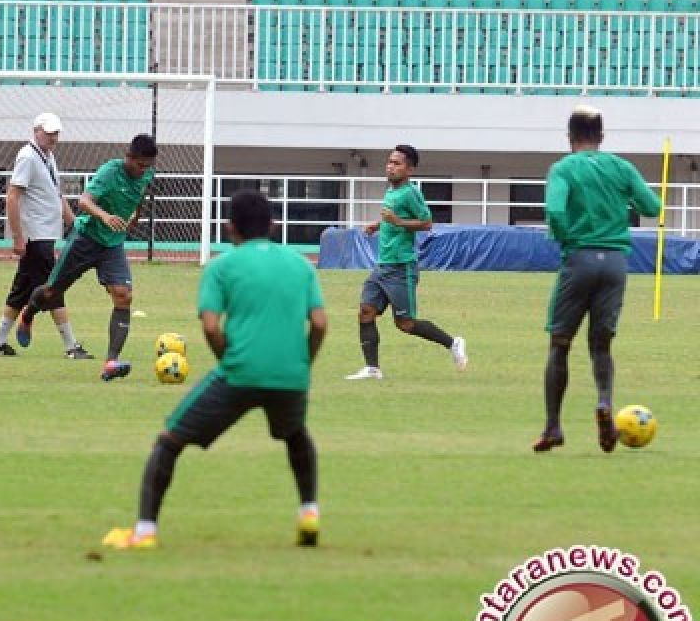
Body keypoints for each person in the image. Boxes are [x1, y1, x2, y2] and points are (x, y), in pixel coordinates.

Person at [103, 190, 328, 549]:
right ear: (273, 225)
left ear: (230, 228)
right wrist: (303, 364)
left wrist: (228, 359)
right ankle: (309, 512)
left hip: (238, 372)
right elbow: (319, 323)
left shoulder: (221, 267)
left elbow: (210, 327)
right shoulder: (301, 265)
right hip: (291, 375)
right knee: (295, 434)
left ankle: (144, 532)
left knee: (169, 441)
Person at [534, 106, 661, 453]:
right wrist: (622, 198)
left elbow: (556, 211)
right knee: (601, 344)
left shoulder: (563, 168)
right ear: (601, 138)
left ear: (570, 137)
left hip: (580, 259)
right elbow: (652, 206)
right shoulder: (621, 167)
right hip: (616, 263)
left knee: (560, 343)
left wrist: (565, 238)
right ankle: (605, 402)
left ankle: (553, 428)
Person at [15, 134, 157, 381]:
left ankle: (111, 362)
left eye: (148, 166)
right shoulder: (109, 172)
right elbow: (83, 201)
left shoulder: (145, 174)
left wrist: (136, 216)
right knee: (51, 291)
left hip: (112, 244)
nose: (143, 170)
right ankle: (28, 313)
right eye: (139, 165)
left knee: (123, 296)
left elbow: (141, 193)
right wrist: (105, 216)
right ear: (129, 157)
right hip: (86, 239)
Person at [345, 144, 467, 380]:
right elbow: (391, 217)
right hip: (383, 265)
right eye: (389, 162)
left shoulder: (411, 193)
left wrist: (398, 222)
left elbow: (426, 222)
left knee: (406, 324)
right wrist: (377, 224)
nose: (390, 166)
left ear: (409, 170)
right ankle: (372, 368)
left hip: (402, 268)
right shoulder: (391, 190)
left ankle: (453, 343)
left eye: (397, 163)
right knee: (365, 312)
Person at [0, 112, 92, 359]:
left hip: (44, 234)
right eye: (48, 132)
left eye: (56, 133)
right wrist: (17, 237)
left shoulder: (47, 157)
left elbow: (57, 194)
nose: (53, 137)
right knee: (53, 289)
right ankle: (70, 345)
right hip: (37, 235)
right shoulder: (27, 157)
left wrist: (73, 223)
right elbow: (13, 196)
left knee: (21, 290)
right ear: (36, 131)